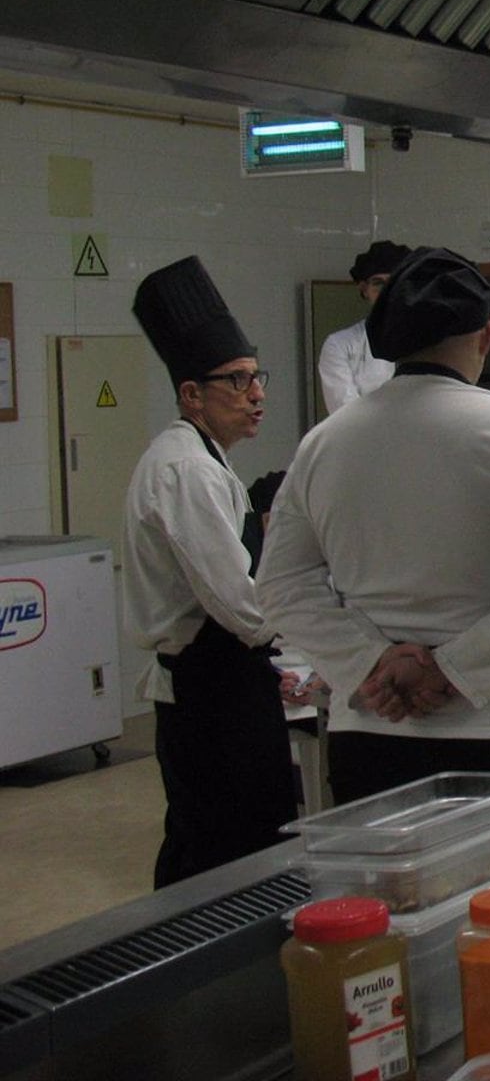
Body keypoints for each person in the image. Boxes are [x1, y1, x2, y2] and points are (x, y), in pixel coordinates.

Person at [258, 248, 490, 851]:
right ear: (486, 335)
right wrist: (449, 669)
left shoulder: (324, 443)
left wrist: (371, 664)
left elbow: (281, 584)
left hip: (367, 729)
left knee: (392, 899)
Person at [125, 256, 296, 887]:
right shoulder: (186, 470)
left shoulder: (204, 458)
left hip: (227, 678)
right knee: (225, 851)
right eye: (237, 380)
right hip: (210, 694)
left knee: (222, 838)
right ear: (191, 394)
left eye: (257, 377)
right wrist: (320, 638)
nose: (257, 395)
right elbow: (239, 605)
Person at [316, 240, 408, 414]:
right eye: (378, 283)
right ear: (364, 289)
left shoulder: (427, 340)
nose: (386, 291)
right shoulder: (340, 345)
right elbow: (346, 413)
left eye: (394, 283)